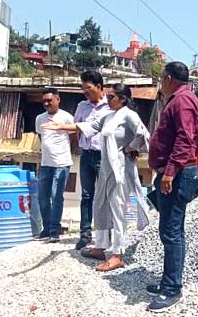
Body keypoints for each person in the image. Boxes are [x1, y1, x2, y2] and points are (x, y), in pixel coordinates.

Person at [43, 84, 150, 271]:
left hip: (120, 168)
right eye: (107, 96)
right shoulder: (108, 116)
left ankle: (117, 254)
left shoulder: (128, 114)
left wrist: (130, 148)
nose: (107, 100)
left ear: (122, 98)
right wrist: (61, 126)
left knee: (117, 209)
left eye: (111, 97)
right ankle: (100, 246)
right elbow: (89, 126)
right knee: (100, 204)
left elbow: (143, 134)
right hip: (106, 168)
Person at [146, 62, 198, 312]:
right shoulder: (180, 99)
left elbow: (185, 139)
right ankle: (167, 281)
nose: (161, 82)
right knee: (169, 228)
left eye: (161, 78)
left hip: (178, 174)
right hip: (173, 173)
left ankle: (172, 288)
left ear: (168, 78)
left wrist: (169, 172)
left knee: (172, 230)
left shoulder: (183, 101)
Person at [73, 70, 112, 250]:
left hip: (104, 156)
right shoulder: (82, 106)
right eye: (83, 89)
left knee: (105, 196)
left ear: (99, 87)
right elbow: (76, 127)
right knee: (86, 195)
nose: (85, 92)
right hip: (86, 154)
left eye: (88, 88)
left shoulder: (110, 106)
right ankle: (85, 234)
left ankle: (106, 234)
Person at [35, 88, 75, 243]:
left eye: (49, 100)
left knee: (56, 196)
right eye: (44, 101)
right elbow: (41, 137)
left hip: (62, 164)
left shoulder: (66, 117)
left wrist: (63, 152)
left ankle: (54, 230)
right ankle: (46, 229)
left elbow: (74, 136)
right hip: (45, 164)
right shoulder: (40, 118)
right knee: (42, 197)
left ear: (58, 99)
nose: (46, 104)